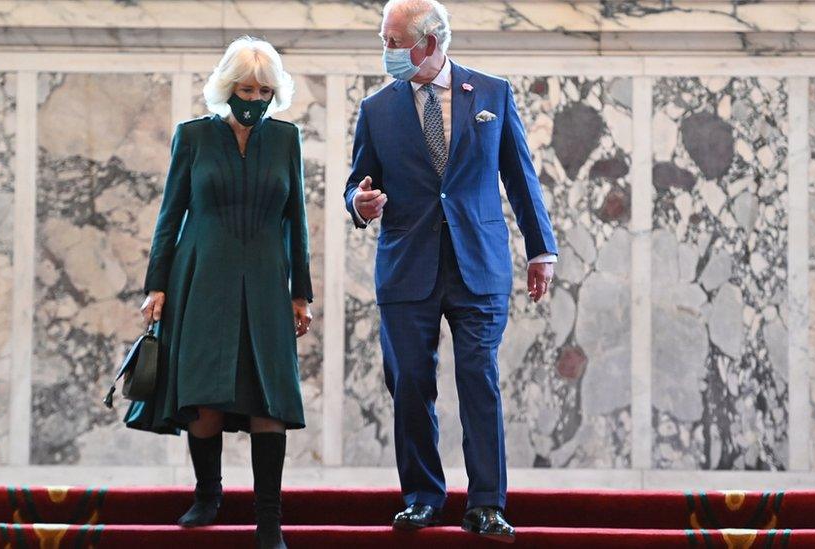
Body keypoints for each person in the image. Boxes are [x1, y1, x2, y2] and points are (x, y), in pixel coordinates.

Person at [345, 0, 558, 542]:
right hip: (406, 266)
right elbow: (358, 183)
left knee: (478, 380)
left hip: (478, 264)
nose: (385, 51)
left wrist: (541, 250)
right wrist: (358, 204)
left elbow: (520, 176)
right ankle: (421, 498)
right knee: (411, 383)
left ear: (430, 41)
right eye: (384, 40)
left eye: (393, 42)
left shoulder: (491, 93)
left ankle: (486, 503)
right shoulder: (376, 109)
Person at [128, 36, 313, 549]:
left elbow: (295, 218)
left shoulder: (285, 139)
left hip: (267, 277)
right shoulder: (192, 137)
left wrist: (302, 293)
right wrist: (156, 286)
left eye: (262, 90)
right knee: (204, 394)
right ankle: (208, 495)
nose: (253, 98)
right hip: (200, 275)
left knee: (268, 398)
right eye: (245, 88)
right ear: (226, 88)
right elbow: (170, 218)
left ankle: (269, 520)